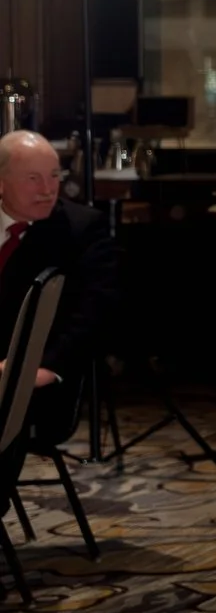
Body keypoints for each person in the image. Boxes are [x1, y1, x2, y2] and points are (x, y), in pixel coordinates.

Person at [0, 129, 118, 450]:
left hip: (33, 378)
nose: (48, 189)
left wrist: (46, 367)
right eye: (33, 179)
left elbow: (95, 314)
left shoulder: (81, 230)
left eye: (54, 176)